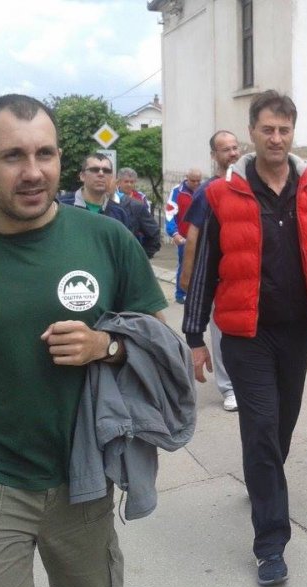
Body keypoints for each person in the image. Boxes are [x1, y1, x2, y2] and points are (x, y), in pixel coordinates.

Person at [0, 94, 168, 587]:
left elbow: (160, 347)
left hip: (83, 475)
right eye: (12, 156)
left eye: (45, 154)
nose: (33, 172)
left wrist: (106, 345)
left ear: (60, 158)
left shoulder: (107, 240)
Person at [182, 90, 307, 587]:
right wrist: (194, 335)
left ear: (292, 132)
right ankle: (271, 544)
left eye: (284, 129)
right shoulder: (222, 193)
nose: (276, 138)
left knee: (281, 427)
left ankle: (261, 479)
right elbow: (205, 268)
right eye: (267, 129)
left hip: (297, 330)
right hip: (245, 334)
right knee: (261, 427)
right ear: (252, 133)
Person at [180, 131, 241, 411]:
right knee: (221, 331)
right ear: (214, 155)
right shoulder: (207, 190)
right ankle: (229, 388)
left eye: (235, 147)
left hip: (244, 273)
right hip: (217, 274)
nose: (233, 153)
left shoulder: (247, 183)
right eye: (225, 149)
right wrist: (188, 275)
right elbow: (193, 234)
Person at [60, 153, 130, 228]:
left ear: (111, 177)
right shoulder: (61, 206)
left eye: (106, 171)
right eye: (95, 170)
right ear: (82, 176)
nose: (101, 174)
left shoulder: (119, 213)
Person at [165, 167, 203, 303]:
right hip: (184, 237)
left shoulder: (204, 189)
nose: (196, 183)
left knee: (201, 266)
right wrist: (174, 233)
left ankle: (197, 294)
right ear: (187, 178)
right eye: (193, 181)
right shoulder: (177, 191)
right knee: (184, 265)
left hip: (201, 236)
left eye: (198, 181)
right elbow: (170, 214)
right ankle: (181, 294)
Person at [115, 167, 162, 259]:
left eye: (132, 182)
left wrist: (146, 253)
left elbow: (150, 225)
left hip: (137, 243)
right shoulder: (112, 197)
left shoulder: (141, 198)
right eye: (126, 181)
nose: (129, 184)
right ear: (118, 182)